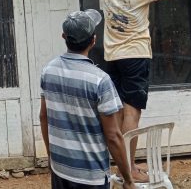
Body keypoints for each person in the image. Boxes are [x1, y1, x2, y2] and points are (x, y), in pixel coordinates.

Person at [98, 0, 191, 182]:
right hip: (135, 56)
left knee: (119, 112)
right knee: (132, 112)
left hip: (112, 57)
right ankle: (129, 168)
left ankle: (122, 166)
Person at [40, 10, 133, 189]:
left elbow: (43, 117)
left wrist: (51, 156)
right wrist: (128, 179)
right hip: (91, 177)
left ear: (63, 37)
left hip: (60, 170)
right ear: (93, 40)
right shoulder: (100, 80)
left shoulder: (48, 71)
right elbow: (113, 136)